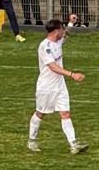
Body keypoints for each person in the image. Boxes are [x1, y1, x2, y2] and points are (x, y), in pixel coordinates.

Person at [27, 18, 87, 155]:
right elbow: (53, 67)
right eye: (62, 29)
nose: (63, 31)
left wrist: (71, 23)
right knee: (40, 113)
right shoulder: (45, 47)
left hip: (60, 85)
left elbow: (66, 34)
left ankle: (73, 144)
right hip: (46, 87)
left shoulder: (58, 41)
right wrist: (72, 74)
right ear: (56, 31)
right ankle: (32, 140)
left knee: (65, 113)